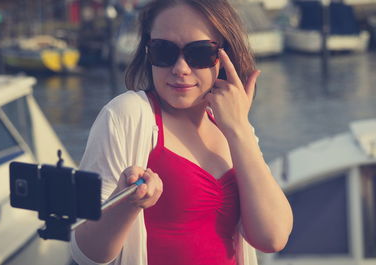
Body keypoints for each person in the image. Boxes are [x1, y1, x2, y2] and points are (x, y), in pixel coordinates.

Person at [70, 0, 293, 264]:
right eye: (164, 51)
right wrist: (127, 201)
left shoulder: (233, 126)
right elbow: (85, 253)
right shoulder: (126, 115)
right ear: (147, 51)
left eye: (199, 53)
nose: (180, 68)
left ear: (225, 56)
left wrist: (240, 128)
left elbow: (272, 237)